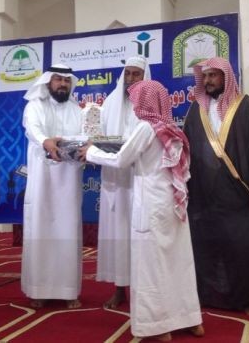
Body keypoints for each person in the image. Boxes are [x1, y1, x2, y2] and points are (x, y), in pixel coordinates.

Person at [81, 80, 204, 341]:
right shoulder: (171, 127)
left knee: (150, 266)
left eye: (137, 100)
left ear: (146, 102)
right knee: (178, 262)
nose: (135, 105)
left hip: (150, 205)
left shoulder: (146, 127)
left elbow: (121, 159)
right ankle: (190, 319)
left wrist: (90, 152)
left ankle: (158, 327)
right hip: (172, 204)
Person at [183, 56, 249, 314]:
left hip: (239, 194)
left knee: (243, 249)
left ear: (226, 77)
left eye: (213, 75)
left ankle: (248, 300)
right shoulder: (196, 109)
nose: (208, 81)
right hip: (203, 194)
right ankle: (209, 297)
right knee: (206, 246)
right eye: (205, 76)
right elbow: (185, 150)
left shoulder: (246, 106)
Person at [20, 64, 84, 309]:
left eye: (67, 80)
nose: (63, 84)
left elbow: (83, 137)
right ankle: (39, 290)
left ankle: (69, 291)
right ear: (48, 82)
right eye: (58, 79)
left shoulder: (77, 110)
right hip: (42, 176)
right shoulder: (35, 105)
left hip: (69, 177)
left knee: (68, 229)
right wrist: (45, 141)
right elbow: (33, 129)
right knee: (41, 228)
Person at [97, 56, 151, 309]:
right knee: (118, 234)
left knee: (141, 236)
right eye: (127, 73)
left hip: (141, 177)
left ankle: (144, 291)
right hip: (115, 180)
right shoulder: (110, 102)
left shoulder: (152, 103)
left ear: (144, 76)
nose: (130, 78)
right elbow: (98, 136)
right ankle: (120, 290)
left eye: (136, 74)